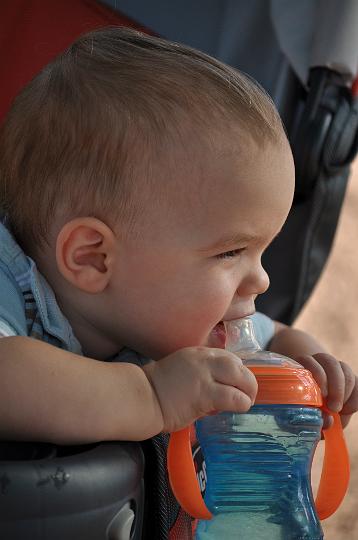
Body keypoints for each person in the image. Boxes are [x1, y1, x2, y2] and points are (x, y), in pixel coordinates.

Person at [0, 27, 357, 446]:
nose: (262, 281)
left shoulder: (163, 313)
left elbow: (275, 336)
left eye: (261, 251)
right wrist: (151, 396)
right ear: (93, 258)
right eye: (231, 251)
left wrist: (308, 364)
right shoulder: (10, 284)